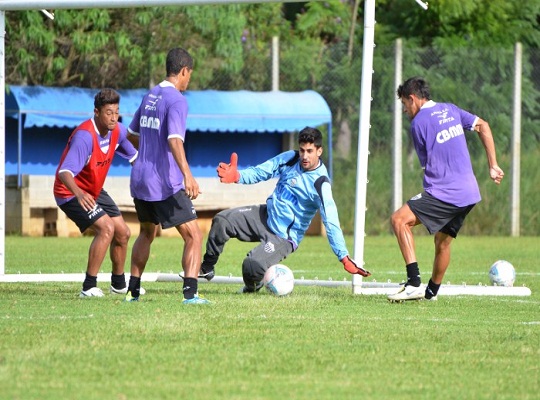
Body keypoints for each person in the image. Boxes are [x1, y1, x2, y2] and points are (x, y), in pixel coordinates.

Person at [197, 126, 371, 293]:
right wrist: (238, 176)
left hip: (284, 237)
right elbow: (263, 171)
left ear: (319, 151)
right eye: (302, 150)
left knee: (252, 266)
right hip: (265, 216)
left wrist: (343, 257)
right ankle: (206, 267)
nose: (304, 155)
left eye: (309, 151)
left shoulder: (320, 183)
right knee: (223, 220)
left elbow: (331, 222)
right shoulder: (290, 158)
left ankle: (252, 287)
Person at [388, 77, 505, 302]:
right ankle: (431, 293)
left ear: (413, 99)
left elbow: (427, 165)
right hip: (469, 193)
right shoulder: (450, 109)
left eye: (404, 104)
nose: (404, 110)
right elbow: (483, 125)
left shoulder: (418, 123)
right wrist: (493, 165)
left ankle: (413, 283)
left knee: (399, 220)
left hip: (445, 193)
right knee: (442, 242)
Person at [125, 47, 210, 304]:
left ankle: (133, 292)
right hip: (164, 183)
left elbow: (130, 135)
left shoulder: (149, 96)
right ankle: (191, 294)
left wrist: (149, 154)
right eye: (189, 75)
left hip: (140, 179)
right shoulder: (177, 101)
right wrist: (188, 175)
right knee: (194, 235)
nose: (188, 81)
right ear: (184, 71)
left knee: (146, 233)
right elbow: (175, 140)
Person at [53, 88, 139, 298]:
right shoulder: (84, 136)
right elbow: (65, 172)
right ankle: (88, 287)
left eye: (116, 112)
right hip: (69, 191)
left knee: (123, 233)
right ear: (96, 112)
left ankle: (118, 284)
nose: (113, 117)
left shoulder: (117, 130)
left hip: (94, 189)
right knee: (106, 228)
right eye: (108, 112)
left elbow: (135, 157)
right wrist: (80, 194)